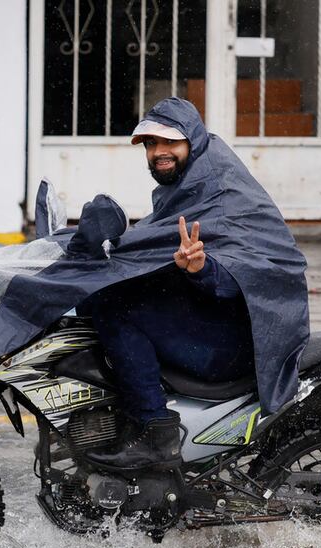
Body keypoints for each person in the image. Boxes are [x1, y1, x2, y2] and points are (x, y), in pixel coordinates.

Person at [80, 104, 305, 472]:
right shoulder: (188, 186)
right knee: (116, 290)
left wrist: (203, 269)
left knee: (113, 308)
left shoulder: (218, 188)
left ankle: (156, 432)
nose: (159, 152)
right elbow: (153, 245)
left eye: (170, 141)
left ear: (193, 140)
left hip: (240, 342)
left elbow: (252, 272)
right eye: (151, 143)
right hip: (216, 321)